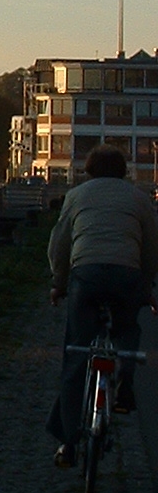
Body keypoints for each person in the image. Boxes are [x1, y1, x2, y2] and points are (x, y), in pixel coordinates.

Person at [47, 144, 158, 465]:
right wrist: (146, 285)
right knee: (126, 328)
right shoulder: (138, 198)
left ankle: (68, 444)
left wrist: (58, 282)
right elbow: (152, 245)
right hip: (126, 274)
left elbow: (60, 243)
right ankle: (124, 377)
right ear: (124, 171)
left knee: (77, 352)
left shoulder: (77, 196)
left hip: (86, 274)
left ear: (89, 170)